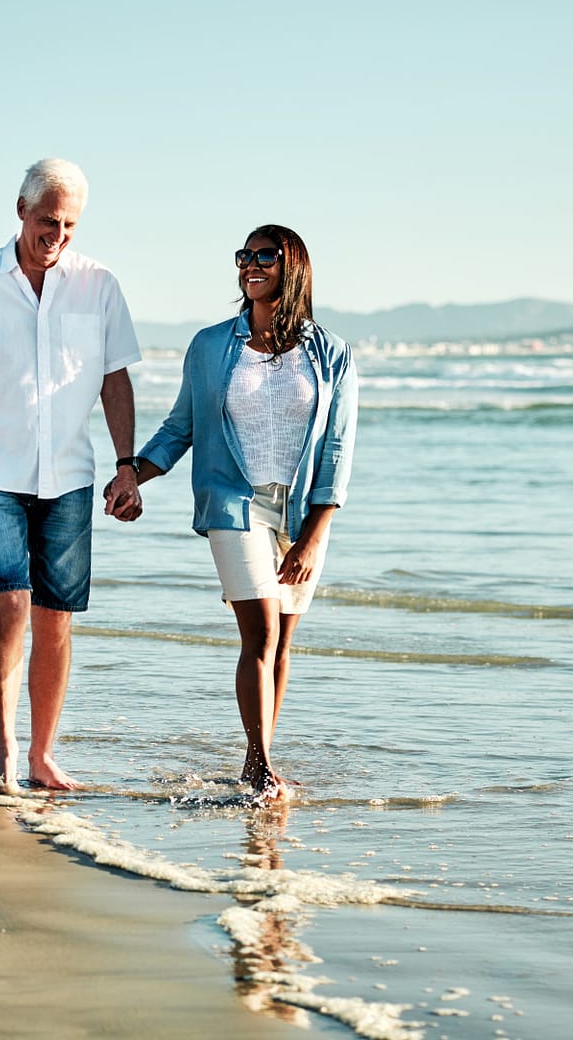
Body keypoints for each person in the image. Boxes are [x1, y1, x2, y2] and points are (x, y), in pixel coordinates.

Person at [114, 224, 357, 801]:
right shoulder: (209, 346)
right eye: (243, 256)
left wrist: (314, 536)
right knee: (261, 632)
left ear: (291, 266)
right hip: (232, 503)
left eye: (264, 256)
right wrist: (133, 471)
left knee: (284, 642)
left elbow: (338, 449)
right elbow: (182, 427)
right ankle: (258, 763)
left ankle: (263, 759)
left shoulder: (332, 354)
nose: (250, 265)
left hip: (300, 512)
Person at [0, 157, 143, 793]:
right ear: (21, 211)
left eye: (70, 224)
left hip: (70, 478)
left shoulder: (98, 285)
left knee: (56, 616)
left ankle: (42, 755)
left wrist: (126, 465)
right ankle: (3, 746)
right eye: (49, 219)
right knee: (12, 602)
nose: (59, 234)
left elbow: (115, 379)